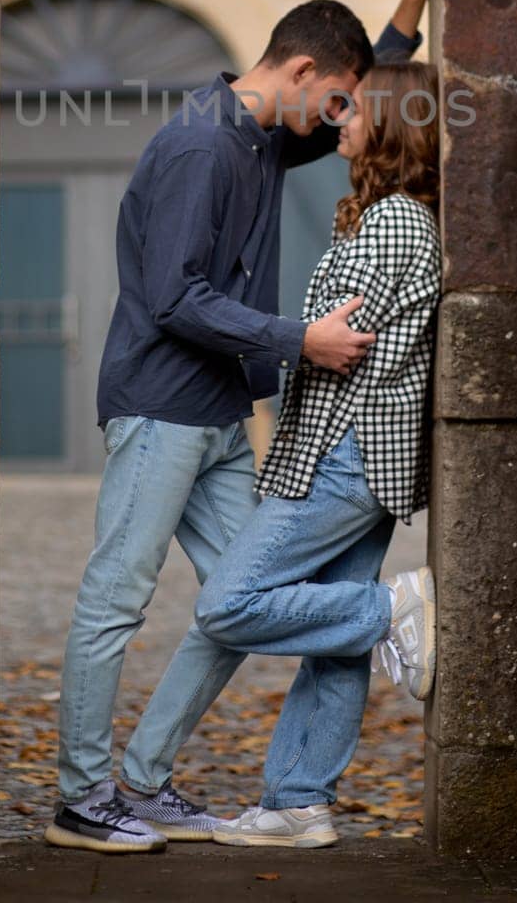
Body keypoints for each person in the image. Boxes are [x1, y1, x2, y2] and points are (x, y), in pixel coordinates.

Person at [44, 0, 432, 855]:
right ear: (300, 75)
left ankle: (144, 780)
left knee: (233, 610)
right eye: (336, 101)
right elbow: (174, 298)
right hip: (161, 410)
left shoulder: (263, 136)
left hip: (222, 413)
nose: (342, 120)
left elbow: (377, 90)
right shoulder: (197, 146)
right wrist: (299, 339)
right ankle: (83, 799)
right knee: (115, 602)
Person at [187, 56, 442, 849]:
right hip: (361, 453)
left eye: (358, 110)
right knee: (334, 653)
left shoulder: (395, 222)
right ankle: (299, 803)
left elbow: (334, 337)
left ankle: (393, 609)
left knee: (226, 603)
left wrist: (281, 338)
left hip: (345, 452)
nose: (341, 120)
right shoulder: (390, 216)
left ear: (392, 126)